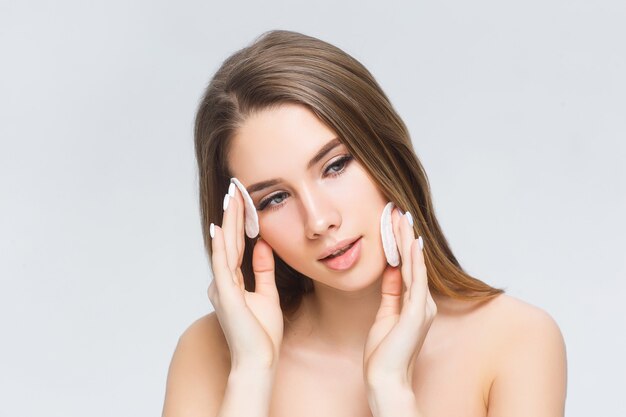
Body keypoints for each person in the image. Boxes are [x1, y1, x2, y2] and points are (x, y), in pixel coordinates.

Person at [161, 30, 567, 417]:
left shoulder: (516, 340)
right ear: (243, 222)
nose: (319, 220)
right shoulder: (209, 353)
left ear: (384, 153)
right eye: (275, 199)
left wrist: (391, 390)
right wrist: (251, 371)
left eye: (335, 165)